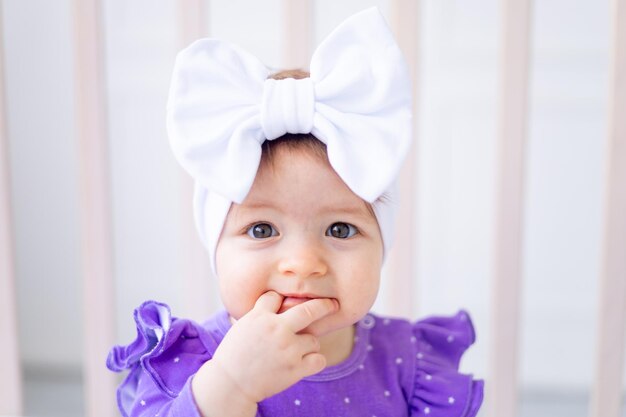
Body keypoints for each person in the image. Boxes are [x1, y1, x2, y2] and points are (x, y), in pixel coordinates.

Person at [107, 7, 484, 417]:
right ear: (215, 246)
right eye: (261, 229)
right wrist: (230, 385)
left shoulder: (408, 363)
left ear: (383, 244)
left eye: (340, 229)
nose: (303, 264)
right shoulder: (193, 366)